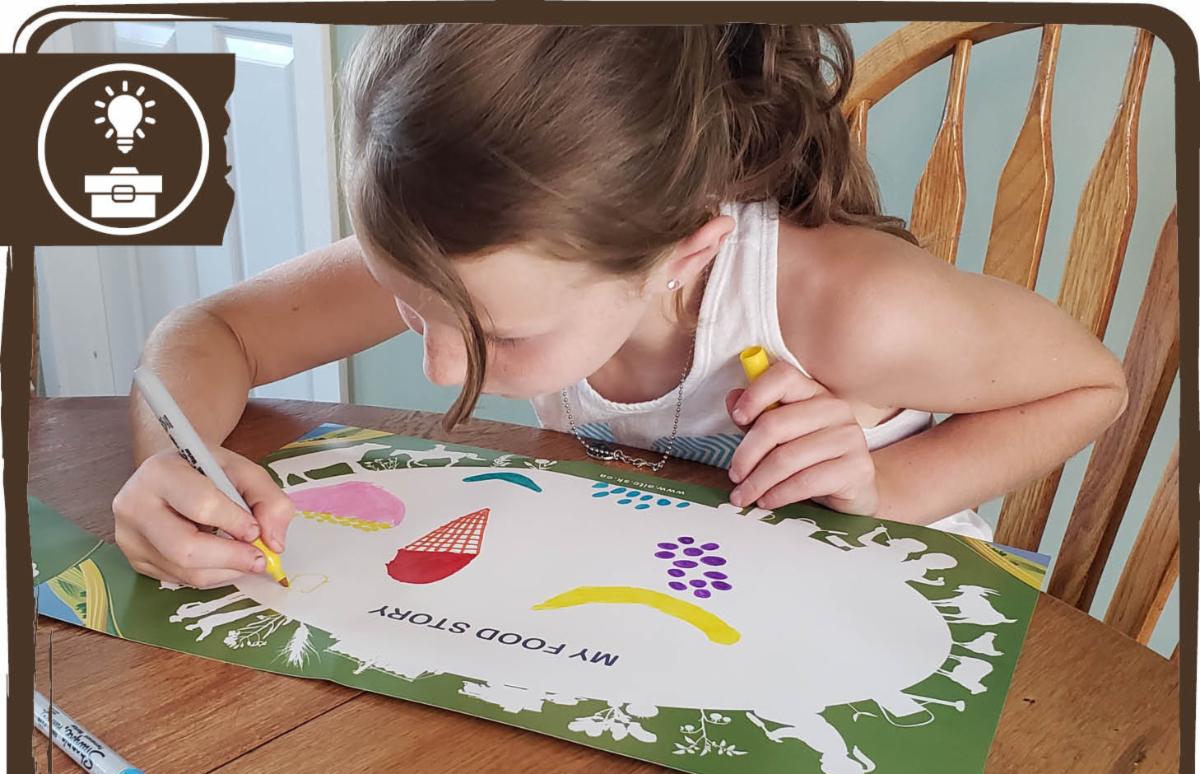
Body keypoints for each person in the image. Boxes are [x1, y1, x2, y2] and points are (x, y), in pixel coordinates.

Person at [113, 24, 1127, 588]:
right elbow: (211, 333)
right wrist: (173, 464)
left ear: (683, 254)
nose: (439, 367)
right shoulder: (466, 248)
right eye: (404, 301)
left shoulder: (851, 306)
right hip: (678, 596)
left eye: (502, 336)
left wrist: (887, 481)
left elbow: (1092, 386)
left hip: (901, 618)